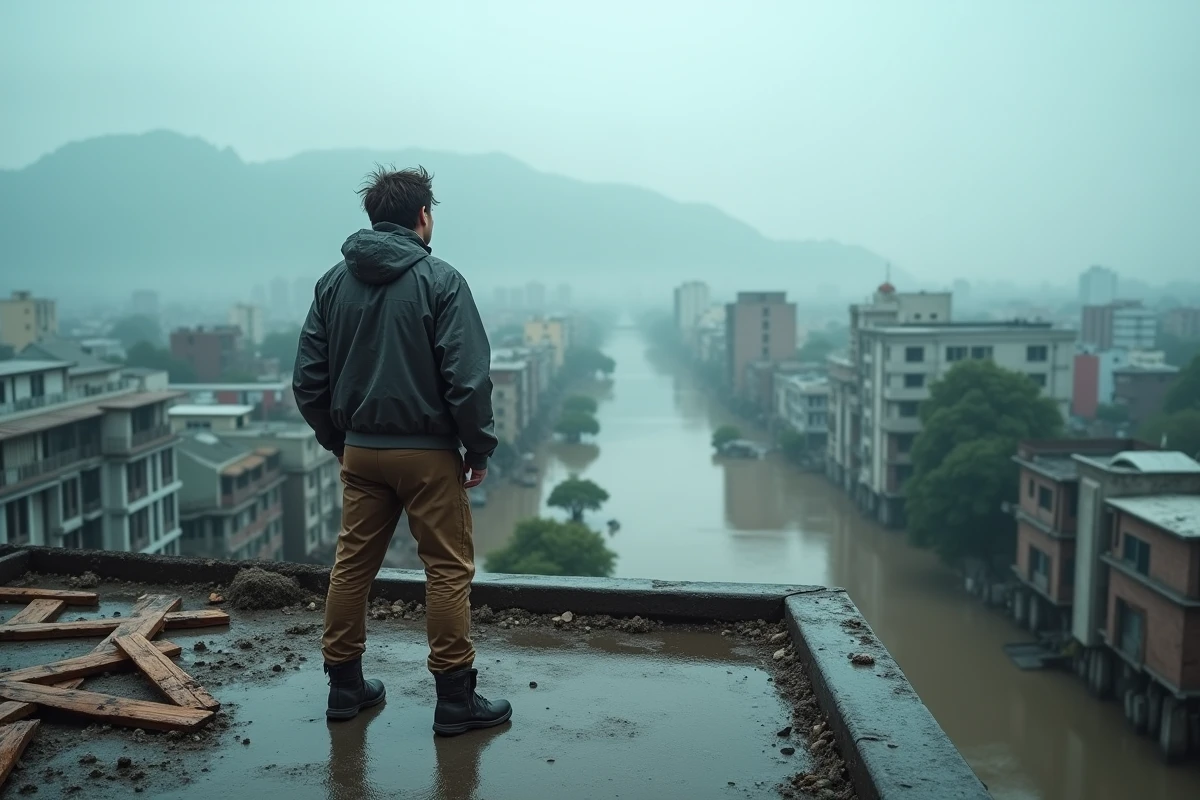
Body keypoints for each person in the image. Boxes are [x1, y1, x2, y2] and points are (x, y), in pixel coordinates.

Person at [294, 166, 512, 735]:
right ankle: (455, 701)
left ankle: (345, 689)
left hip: (361, 452)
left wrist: (340, 442)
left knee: (351, 567)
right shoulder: (441, 281)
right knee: (445, 570)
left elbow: (308, 381)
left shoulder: (332, 283)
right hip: (427, 453)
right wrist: (479, 447)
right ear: (422, 216)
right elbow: (468, 379)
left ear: (373, 218)